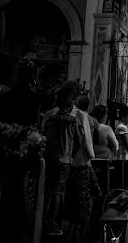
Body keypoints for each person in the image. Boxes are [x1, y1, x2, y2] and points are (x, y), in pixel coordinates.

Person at [41, 80, 95, 237]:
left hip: (48, 157)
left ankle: (45, 221)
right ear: (75, 97)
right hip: (68, 159)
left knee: (47, 190)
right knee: (59, 192)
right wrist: (90, 156)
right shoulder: (79, 115)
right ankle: (54, 223)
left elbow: (42, 134)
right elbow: (85, 139)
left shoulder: (50, 114)